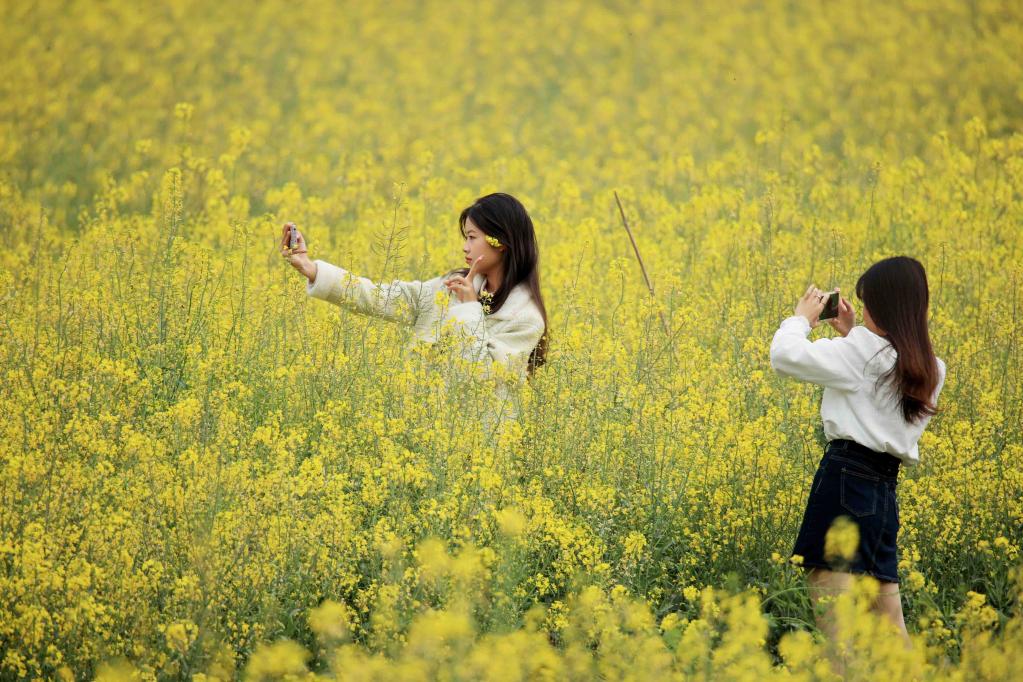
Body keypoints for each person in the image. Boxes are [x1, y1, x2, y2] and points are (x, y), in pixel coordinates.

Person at [769, 256, 946, 647]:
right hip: (884, 499)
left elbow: (784, 357)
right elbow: (878, 375)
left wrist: (801, 320)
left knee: (838, 634)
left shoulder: (862, 353)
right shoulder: (932, 369)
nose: (861, 311)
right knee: (891, 632)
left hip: (844, 487)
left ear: (881, 308)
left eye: (866, 304)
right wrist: (852, 333)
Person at [280, 192, 549, 419]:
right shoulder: (449, 288)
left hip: (480, 449)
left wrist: (469, 309)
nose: (465, 247)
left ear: (500, 243)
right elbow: (381, 298)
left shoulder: (525, 318)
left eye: (472, 237)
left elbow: (478, 374)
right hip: (428, 434)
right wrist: (311, 269)